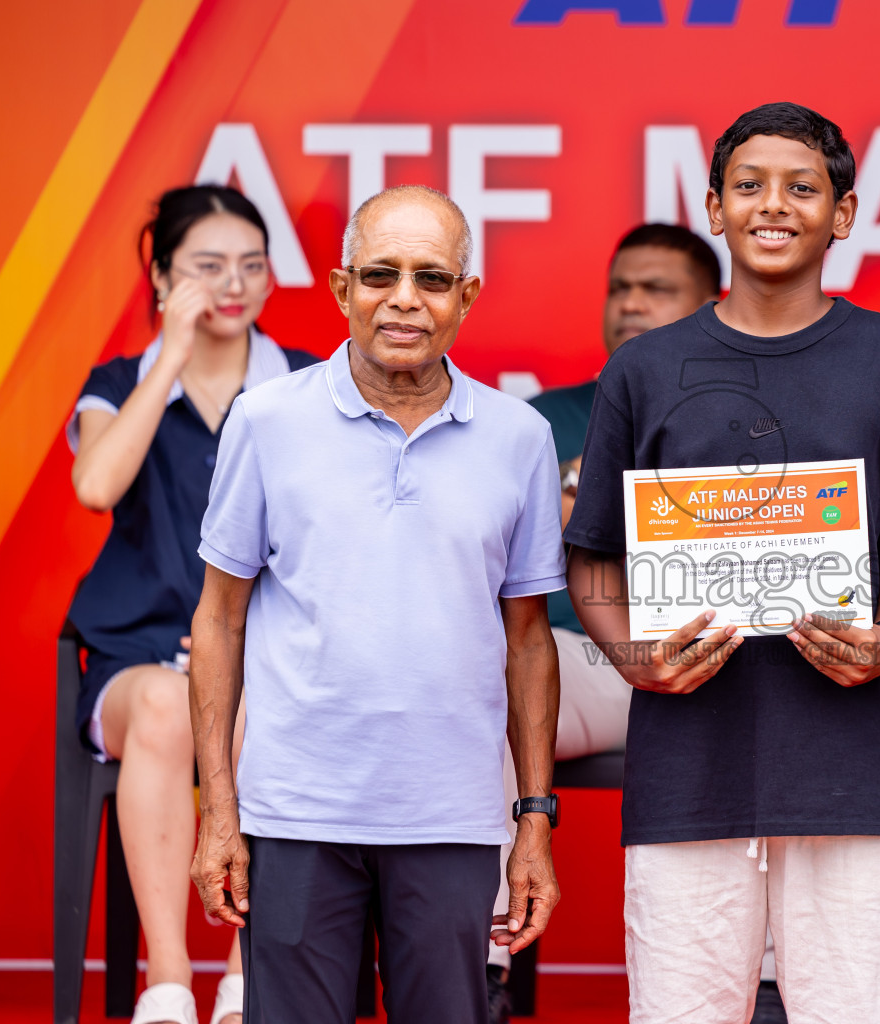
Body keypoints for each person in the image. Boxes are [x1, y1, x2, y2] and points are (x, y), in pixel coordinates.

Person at [564, 103, 880, 1024]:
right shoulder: (645, 368)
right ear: (714, 206)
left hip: (850, 772)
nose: (772, 205)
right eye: (749, 185)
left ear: (844, 212)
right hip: (687, 771)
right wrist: (631, 656)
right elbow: (592, 561)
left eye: (801, 186)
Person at [186, 184, 565, 1023]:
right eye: (379, 275)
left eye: (432, 278)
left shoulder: (519, 438)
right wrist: (219, 812)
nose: (404, 299)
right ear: (340, 288)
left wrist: (533, 822)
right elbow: (217, 619)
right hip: (294, 814)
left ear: (466, 296)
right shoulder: (266, 421)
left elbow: (529, 641)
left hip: (454, 819)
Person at [66, 184, 318, 1024]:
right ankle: (169, 983)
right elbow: (96, 484)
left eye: (252, 265)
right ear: (165, 279)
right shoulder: (119, 383)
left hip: (266, 663)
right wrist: (167, 360)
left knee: (263, 713)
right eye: (208, 268)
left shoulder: (309, 389)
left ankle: (246, 979)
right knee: (175, 707)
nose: (233, 284)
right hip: (135, 661)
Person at [486, 223, 721, 1020]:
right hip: (580, 660)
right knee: (483, 690)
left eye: (656, 290)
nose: (630, 303)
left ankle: (759, 990)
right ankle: (485, 970)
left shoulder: (741, 415)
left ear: (711, 306)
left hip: (714, 662)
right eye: (621, 287)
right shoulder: (541, 421)